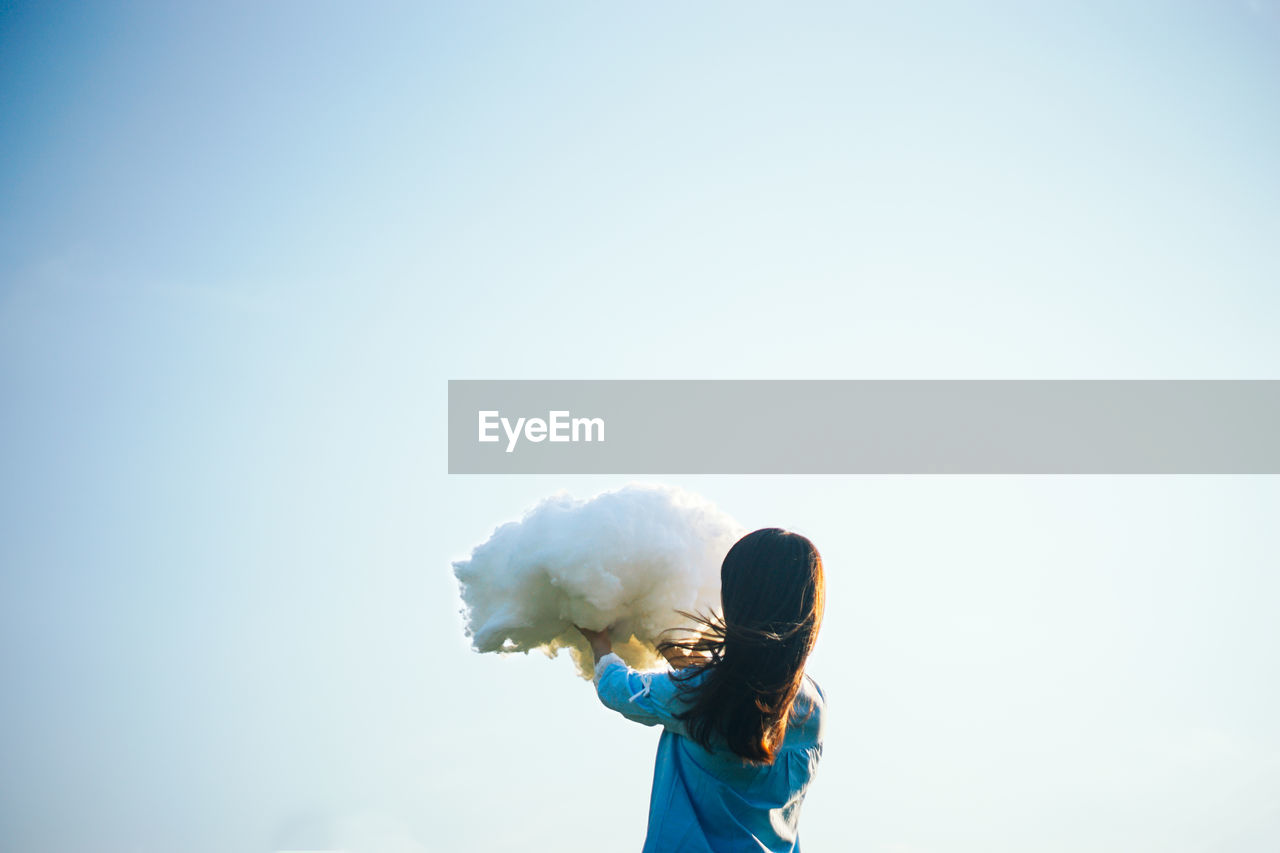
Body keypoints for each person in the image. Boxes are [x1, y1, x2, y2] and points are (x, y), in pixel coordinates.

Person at [577, 527, 826, 853]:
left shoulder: (701, 693)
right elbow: (725, 695)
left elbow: (618, 689)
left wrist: (598, 640)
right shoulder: (813, 705)